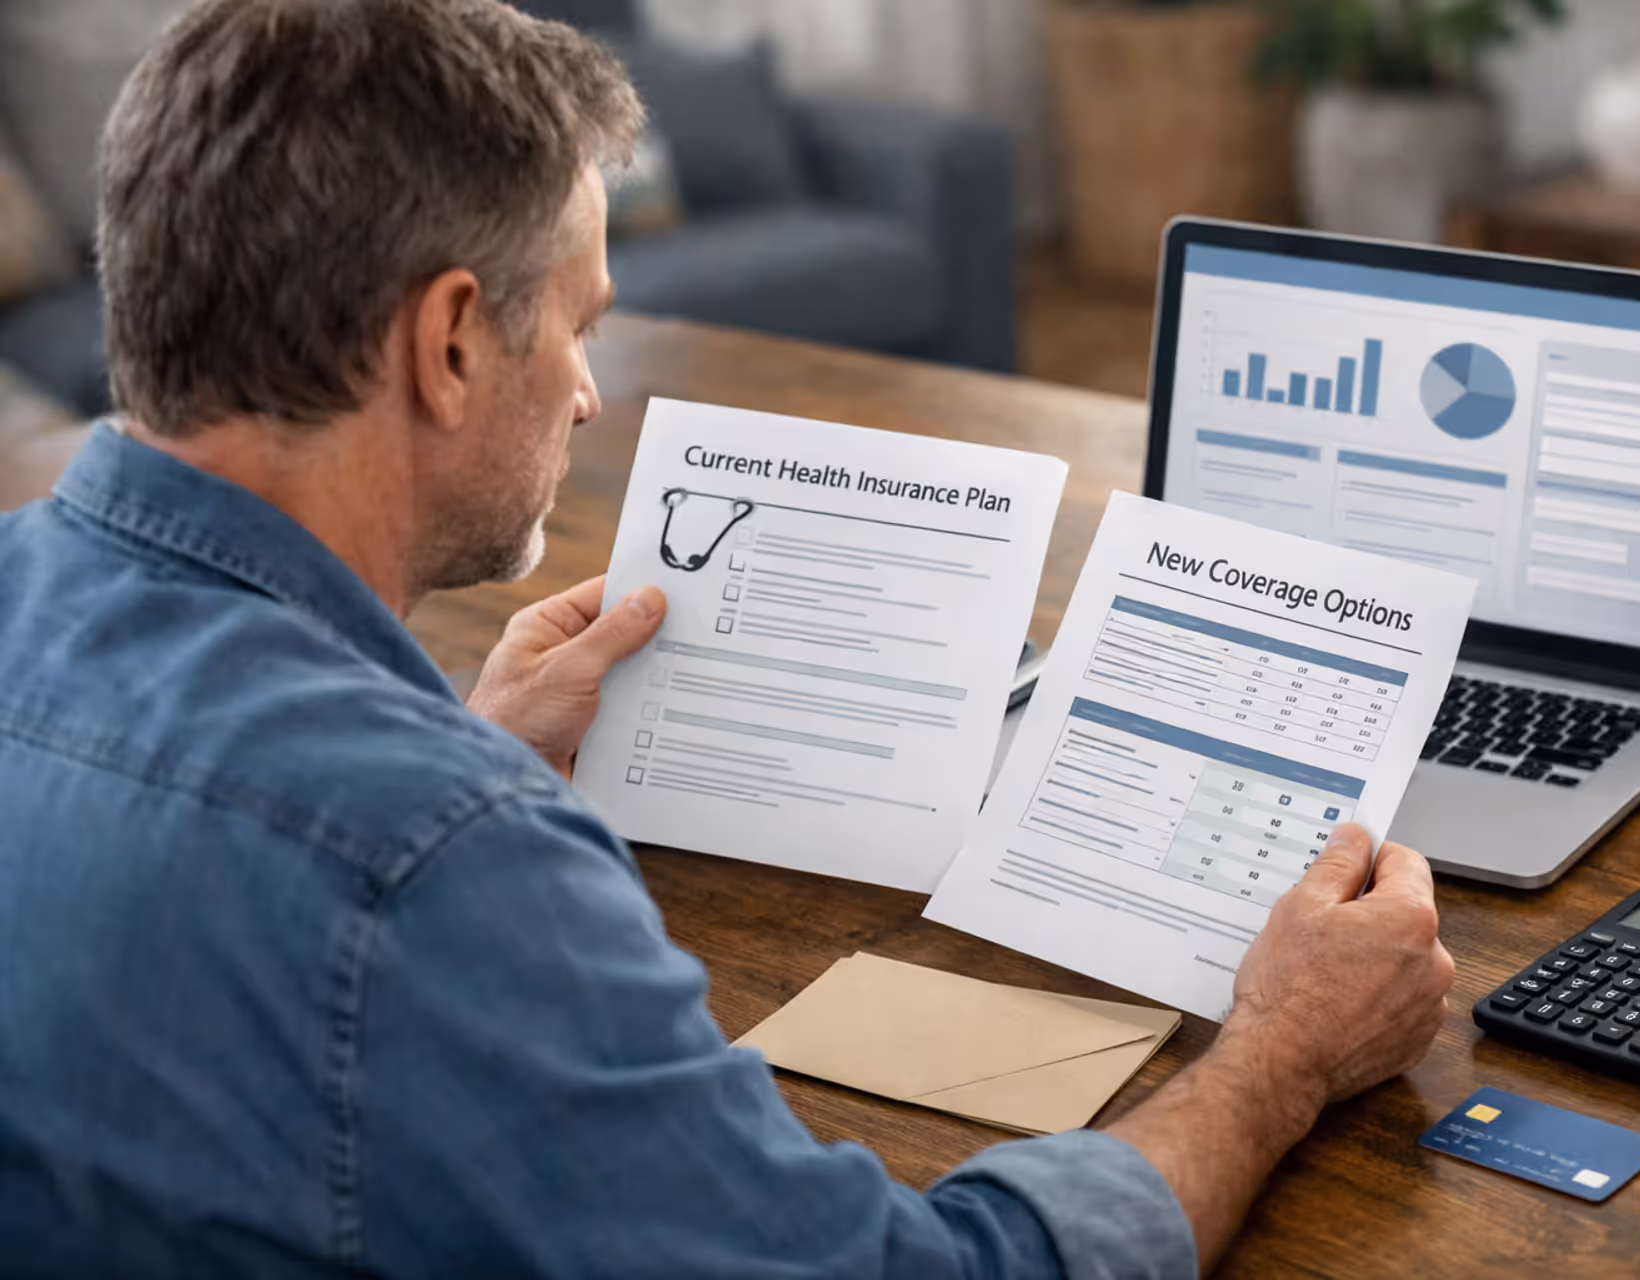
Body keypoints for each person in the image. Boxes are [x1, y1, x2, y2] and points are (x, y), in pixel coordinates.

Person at [0, 1, 1456, 1275]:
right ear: (447, 343)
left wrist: (465, 749)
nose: (582, 392)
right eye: (578, 326)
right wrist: (1282, 1055)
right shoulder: (440, 864)